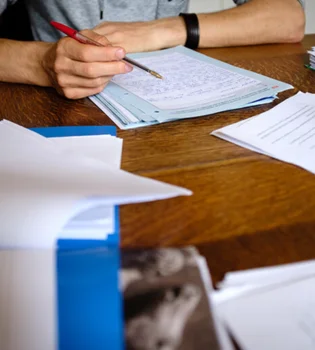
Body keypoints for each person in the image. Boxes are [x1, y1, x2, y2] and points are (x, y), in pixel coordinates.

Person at [0, 0, 305, 99]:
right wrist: (41, 62)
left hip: (172, 108)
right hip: (58, 108)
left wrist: (164, 30)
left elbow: (289, 16)